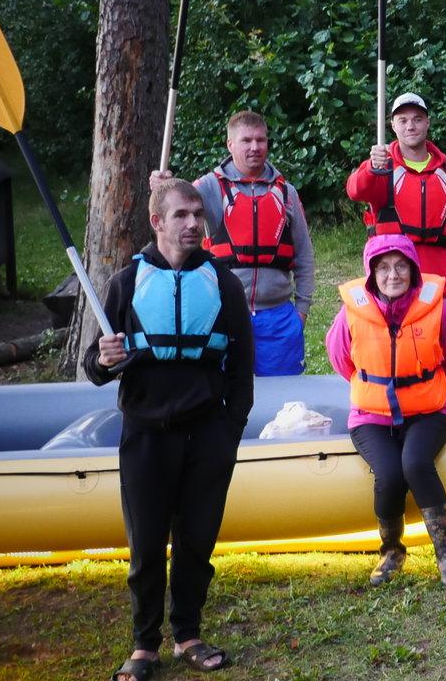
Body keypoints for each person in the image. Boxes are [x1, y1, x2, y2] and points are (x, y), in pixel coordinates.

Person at [87, 179, 253, 681]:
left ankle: (189, 634)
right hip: (145, 435)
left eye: (198, 215)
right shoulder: (125, 283)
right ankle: (144, 646)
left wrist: (229, 432)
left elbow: (241, 370)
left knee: (197, 541)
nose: (192, 224)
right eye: (181, 215)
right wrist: (103, 358)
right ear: (157, 222)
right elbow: (96, 367)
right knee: (146, 545)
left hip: (207, 435)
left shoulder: (223, 284)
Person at [325, 234, 446, 590]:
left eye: (401, 266)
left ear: (413, 271)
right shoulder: (351, 314)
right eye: (384, 268)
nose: (393, 275)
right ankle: (392, 551)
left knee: (416, 464)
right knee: (389, 475)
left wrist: (421, 390)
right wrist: (377, 391)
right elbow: (340, 358)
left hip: (429, 412)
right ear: (371, 273)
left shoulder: (441, 311)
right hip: (370, 417)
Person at [151, 111, 316, 376]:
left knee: (283, 403)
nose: (255, 147)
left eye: (261, 140)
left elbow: (305, 256)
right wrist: (163, 188)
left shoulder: (286, 192)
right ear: (230, 144)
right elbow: (173, 215)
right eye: (246, 140)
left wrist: (302, 311)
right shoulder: (207, 187)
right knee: (222, 395)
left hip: (278, 318)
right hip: (222, 312)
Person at [346, 92, 446, 309]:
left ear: (427, 123)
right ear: (393, 126)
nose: (410, 126)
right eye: (403, 120)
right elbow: (354, 190)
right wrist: (371, 167)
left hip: (441, 292)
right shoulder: (381, 169)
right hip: (392, 291)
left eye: (417, 119)